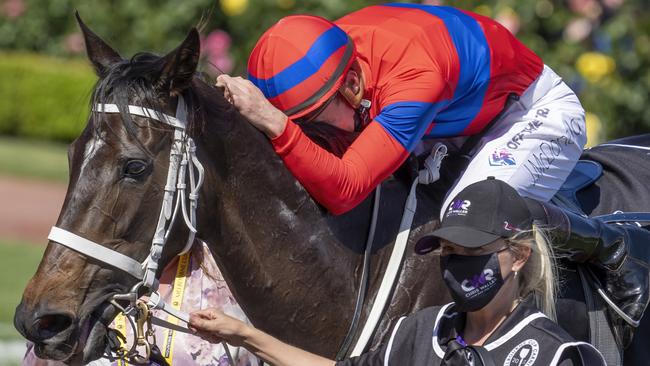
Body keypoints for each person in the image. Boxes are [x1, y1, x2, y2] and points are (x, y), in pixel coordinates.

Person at [216, 4, 647, 327]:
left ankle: (613, 246)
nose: (310, 132)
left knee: (470, 216)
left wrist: (275, 124)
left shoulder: (413, 75)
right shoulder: (327, 62)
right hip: (452, 122)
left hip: (530, 113)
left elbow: (344, 187)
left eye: (311, 122)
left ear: (351, 83)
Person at [188, 178, 606, 366]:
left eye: (472, 250)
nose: (456, 261)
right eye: (448, 250)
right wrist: (244, 335)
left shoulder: (551, 353)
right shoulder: (420, 331)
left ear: (517, 256)